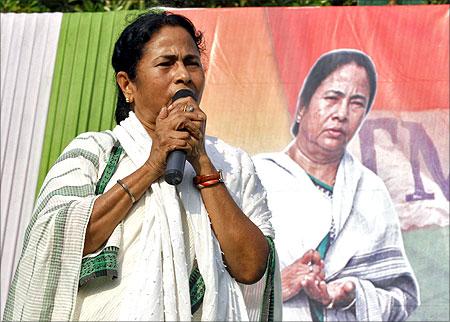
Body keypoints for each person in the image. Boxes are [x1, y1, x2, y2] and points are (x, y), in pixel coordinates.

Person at [4, 10, 281, 321]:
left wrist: (202, 162)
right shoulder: (95, 151)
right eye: (166, 63)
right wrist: (152, 166)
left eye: (192, 63)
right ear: (127, 85)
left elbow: (252, 268)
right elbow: (56, 242)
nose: (183, 75)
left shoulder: (232, 164)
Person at [253, 49, 419, 321]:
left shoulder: (371, 191)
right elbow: (213, 280)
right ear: (303, 107)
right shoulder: (255, 177)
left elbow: (402, 298)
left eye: (356, 103)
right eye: (332, 98)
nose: (342, 113)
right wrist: (277, 286)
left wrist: (354, 295)